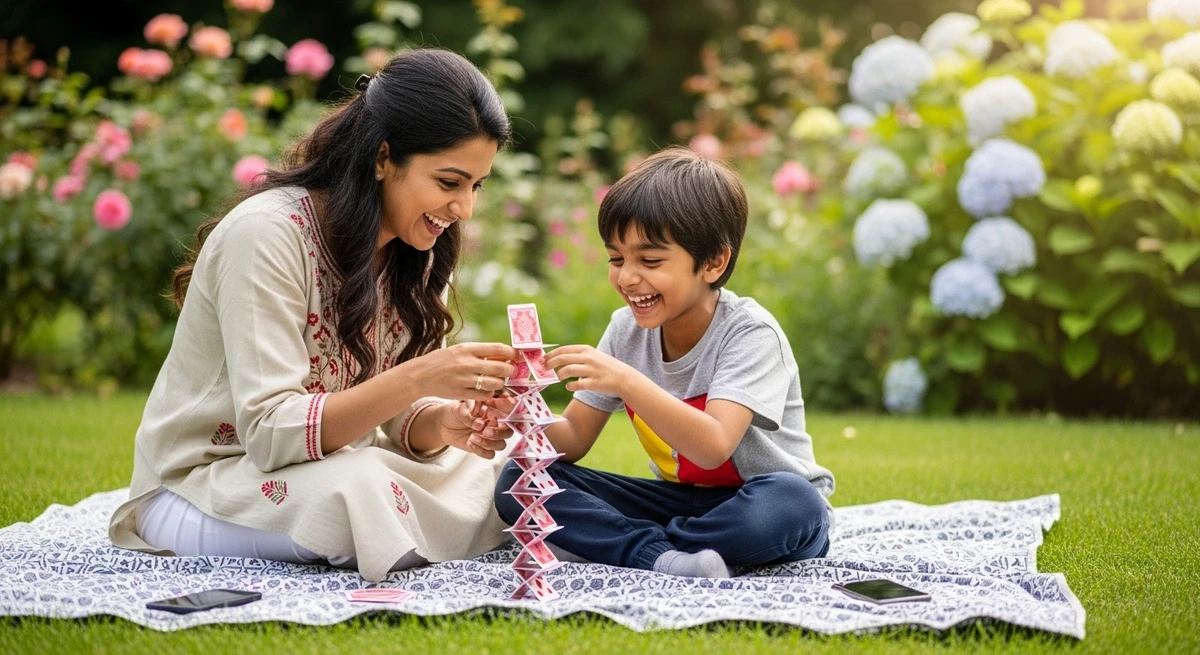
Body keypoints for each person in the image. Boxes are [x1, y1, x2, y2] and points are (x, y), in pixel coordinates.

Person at [108, 49, 522, 583]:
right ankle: (422, 533)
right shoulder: (266, 235)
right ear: (382, 157)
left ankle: (420, 530)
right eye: (449, 183)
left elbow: (396, 415)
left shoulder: (416, 247)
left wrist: (445, 421)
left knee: (508, 461)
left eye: (475, 185)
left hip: (334, 463)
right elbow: (270, 432)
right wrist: (421, 377)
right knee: (363, 491)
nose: (463, 208)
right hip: (209, 481)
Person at [494, 148, 835, 578]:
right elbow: (575, 437)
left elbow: (713, 448)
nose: (627, 277)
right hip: (679, 501)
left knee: (793, 502)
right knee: (519, 482)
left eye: (650, 261)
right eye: (616, 259)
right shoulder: (625, 330)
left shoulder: (750, 333)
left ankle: (629, 543)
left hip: (759, 502)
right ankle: (665, 557)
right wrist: (520, 411)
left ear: (713, 262)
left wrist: (626, 381)